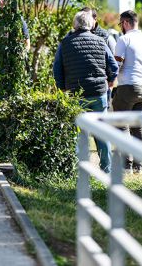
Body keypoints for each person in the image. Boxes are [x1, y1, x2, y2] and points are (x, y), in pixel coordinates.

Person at [53, 10, 118, 173]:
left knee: (79, 133)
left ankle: (80, 168)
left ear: (75, 25)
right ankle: (106, 168)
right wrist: (109, 81)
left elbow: (57, 69)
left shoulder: (65, 43)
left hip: (76, 93)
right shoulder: (100, 41)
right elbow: (114, 66)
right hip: (98, 92)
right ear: (91, 24)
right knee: (101, 132)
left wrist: (62, 88)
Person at [112, 10, 142, 173]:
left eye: (120, 24)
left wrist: (111, 81)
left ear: (125, 23)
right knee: (137, 127)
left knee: (122, 124)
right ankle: (138, 165)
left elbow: (117, 65)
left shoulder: (124, 39)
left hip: (127, 86)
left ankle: (127, 165)